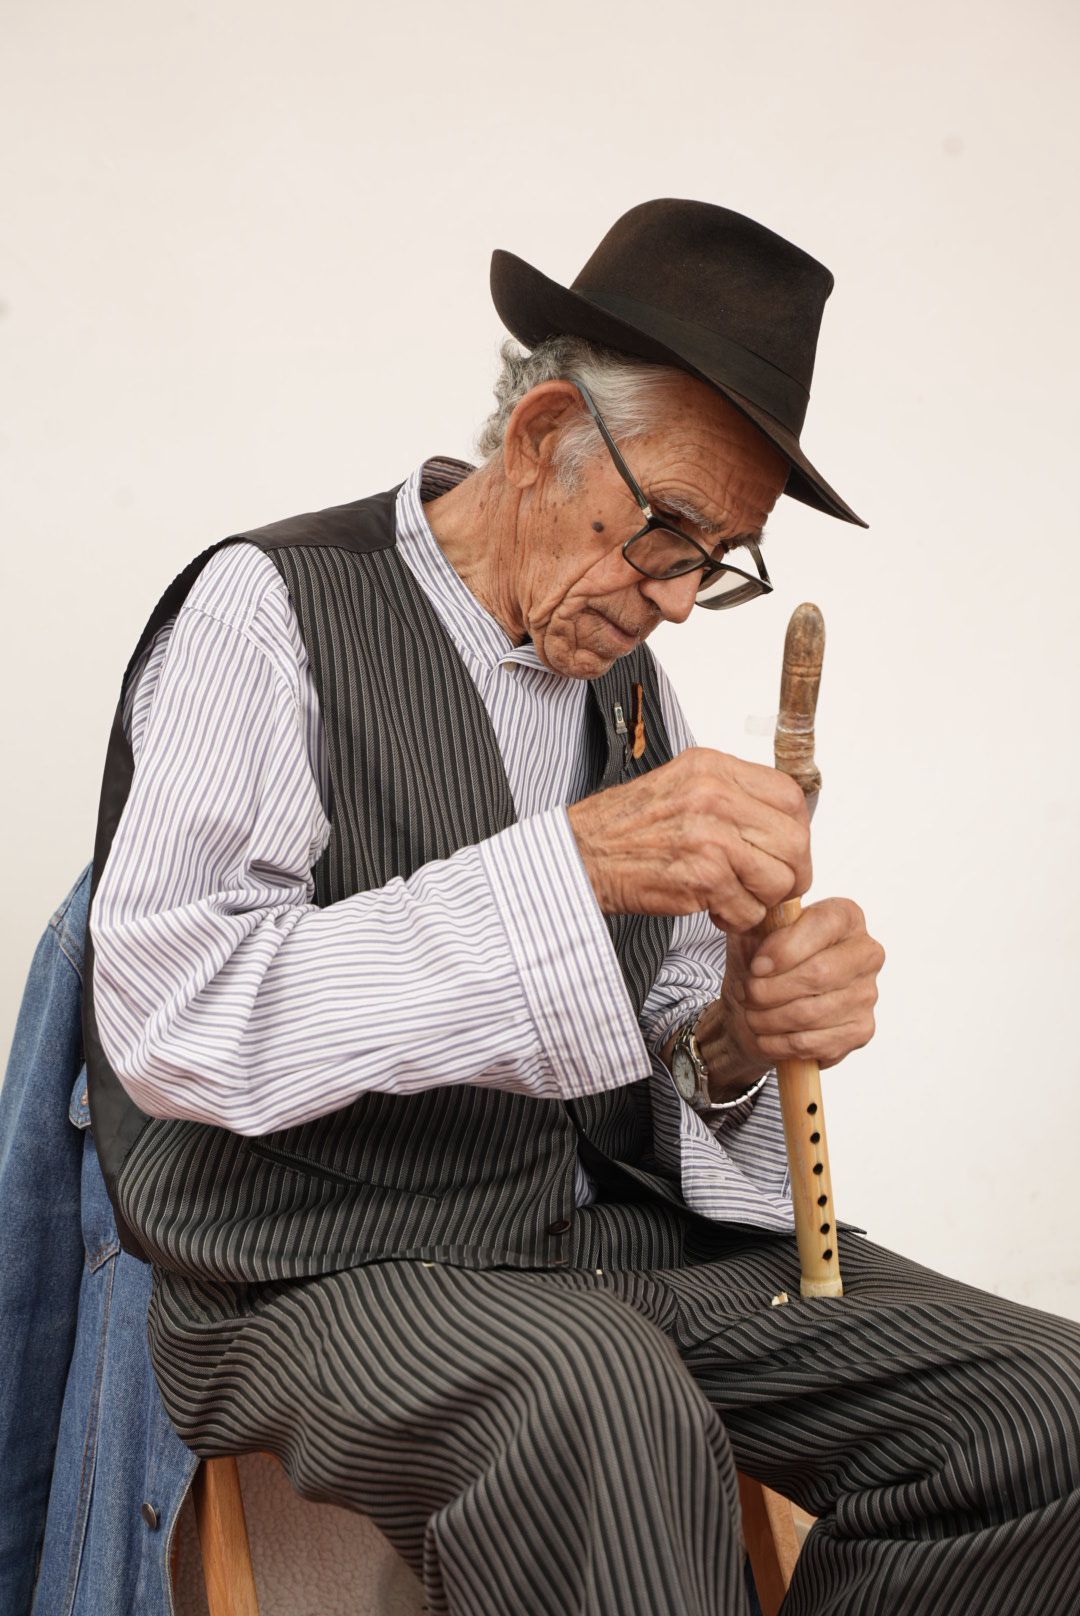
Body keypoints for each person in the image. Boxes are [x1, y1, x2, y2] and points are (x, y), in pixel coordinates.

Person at [82, 199, 1079, 1615]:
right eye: (666, 531)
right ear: (545, 432)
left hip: (602, 1242)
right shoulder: (270, 608)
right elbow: (178, 1019)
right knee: (604, 1403)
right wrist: (571, 868)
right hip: (318, 1268)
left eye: (714, 561)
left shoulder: (622, 681)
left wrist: (739, 1032)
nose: (675, 600)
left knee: (1051, 1416)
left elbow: (658, 1032)